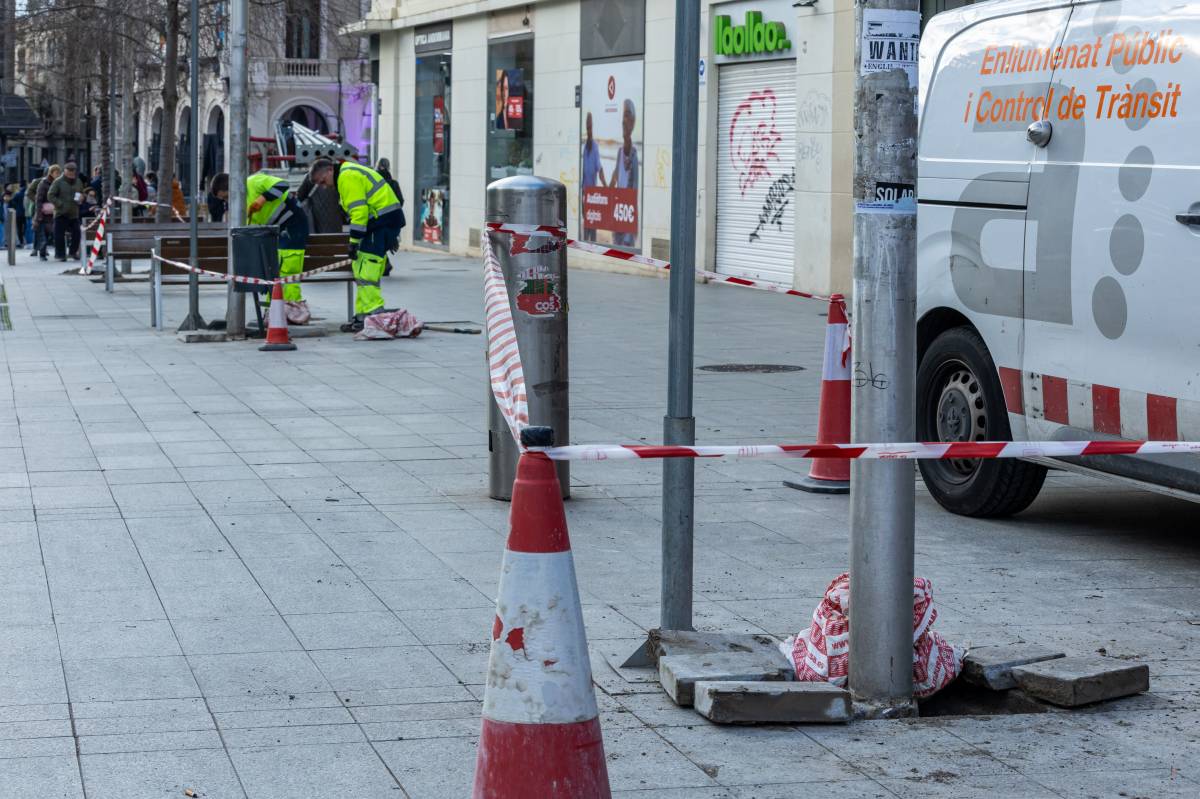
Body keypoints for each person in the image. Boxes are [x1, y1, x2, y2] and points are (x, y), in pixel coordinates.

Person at [308, 157, 404, 331]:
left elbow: (359, 213)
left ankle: (374, 315)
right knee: (361, 269)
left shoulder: (346, 177)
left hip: (379, 224)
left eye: (323, 181)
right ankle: (363, 316)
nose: (324, 186)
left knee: (367, 271)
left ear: (330, 170)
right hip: (380, 223)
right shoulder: (347, 173)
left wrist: (353, 242)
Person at [246, 171, 309, 312]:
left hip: (293, 226)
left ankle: (292, 309)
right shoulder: (238, 205)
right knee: (274, 273)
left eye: (225, 197)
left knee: (288, 271)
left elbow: (282, 185)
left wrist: (263, 198)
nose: (226, 201)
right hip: (276, 233)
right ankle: (275, 310)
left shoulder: (253, 182)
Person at [608, 98, 639, 248]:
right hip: (617, 214)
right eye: (623, 116)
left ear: (633, 122)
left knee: (625, 247)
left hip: (626, 216)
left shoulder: (632, 154)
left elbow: (633, 191)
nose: (623, 121)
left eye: (627, 115)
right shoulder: (620, 151)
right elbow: (615, 175)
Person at [47, 161, 84, 261]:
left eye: (73, 172)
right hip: (61, 213)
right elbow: (50, 195)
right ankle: (60, 255)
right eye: (69, 172)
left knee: (77, 233)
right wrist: (59, 204)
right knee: (59, 235)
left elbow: (81, 192)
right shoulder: (58, 182)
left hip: (74, 213)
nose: (71, 174)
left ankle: (73, 252)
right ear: (65, 171)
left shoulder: (78, 181)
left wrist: (81, 197)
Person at [581, 112, 605, 242]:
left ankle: (593, 249)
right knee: (586, 224)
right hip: (585, 193)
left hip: (593, 194)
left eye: (590, 125)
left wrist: (607, 188)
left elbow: (599, 169)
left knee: (593, 225)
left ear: (592, 126)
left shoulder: (594, 146)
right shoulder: (584, 147)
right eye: (587, 125)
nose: (589, 128)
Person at [31, 165, 60, 260]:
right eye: (56, 173)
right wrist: (39, 214)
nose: (58, 174)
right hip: (43, 213)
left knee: (51, 234)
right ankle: (42, 254)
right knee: (43, 235)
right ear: (51, 173)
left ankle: (52, 252)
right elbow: (38, 200)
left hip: (54, 213)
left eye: (59, 172)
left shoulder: (58, 183)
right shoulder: (43, 183)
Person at [10, 182, 27, 248]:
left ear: (20, 187)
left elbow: (12, 202)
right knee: (26, 227)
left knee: (19, 228)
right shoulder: (26, 193)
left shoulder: (17, 194)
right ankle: (25, 239)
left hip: (18, 213)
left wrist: (16, 207)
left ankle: (21, 241)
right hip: (26, 213)